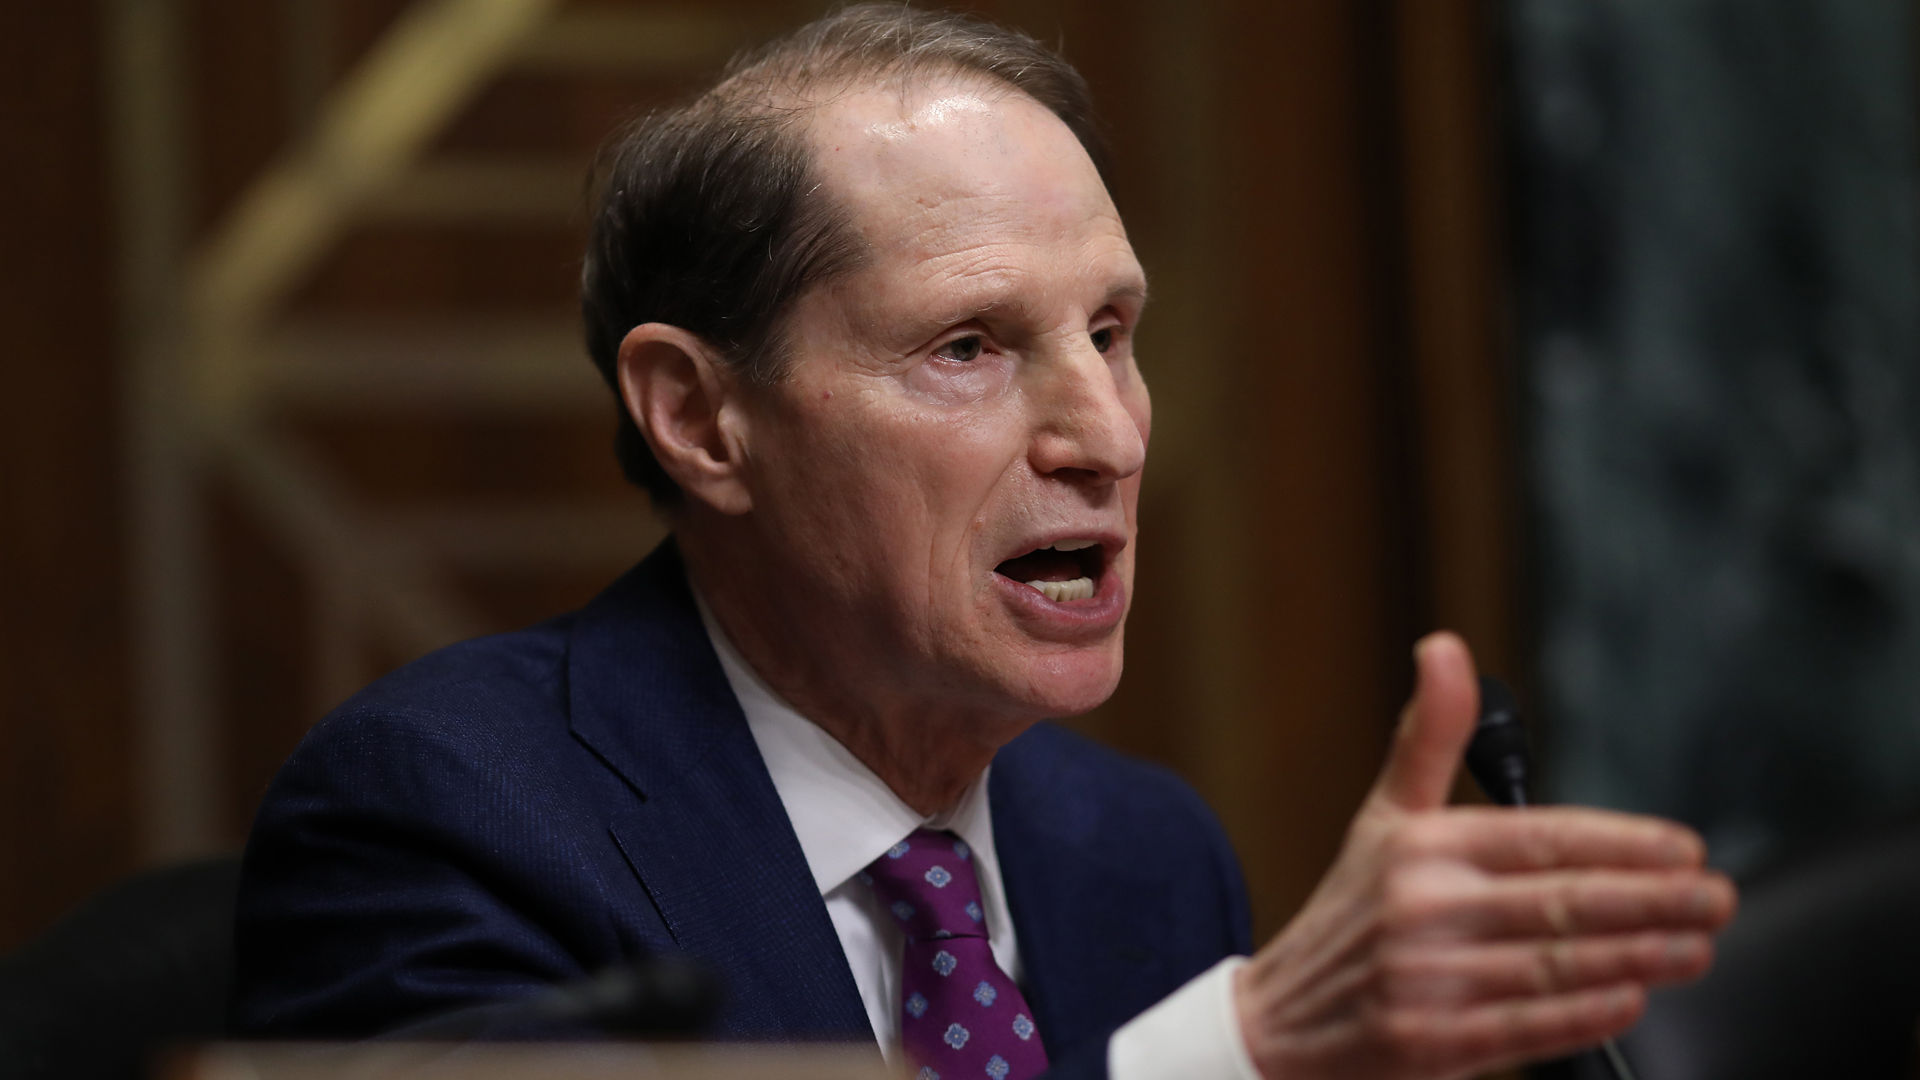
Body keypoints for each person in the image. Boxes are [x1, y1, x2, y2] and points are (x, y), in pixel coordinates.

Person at [233, 7, 1735, 1079]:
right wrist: (1237, 1051)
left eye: (1111, 332)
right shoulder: (448, 818)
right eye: (968, 345)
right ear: (699, 417)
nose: (1111, 434)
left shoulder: (1139, 856)